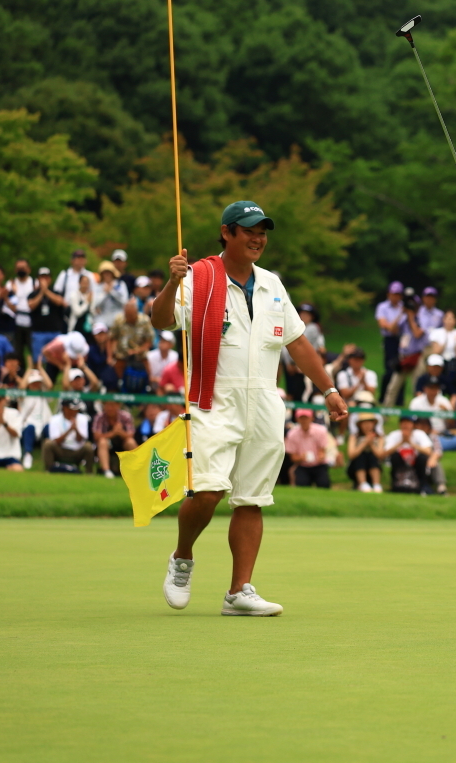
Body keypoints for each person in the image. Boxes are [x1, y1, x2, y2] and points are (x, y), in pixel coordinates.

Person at [151, 199, 349, 618]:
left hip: (264, 399)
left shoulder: (272, 284)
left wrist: (328, 389)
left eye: (263, 231)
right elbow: (161, 321)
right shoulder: (199, 276)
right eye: (249, 230)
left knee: (251, 498)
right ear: (227, 232)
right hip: (212, 398)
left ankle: (239, 591)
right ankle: (182, 557)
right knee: (207, 491)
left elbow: (297, 342)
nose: (258, 238)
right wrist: (172, 283)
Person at [285, 408, 337, 489]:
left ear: (312, 418)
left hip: (319, 465)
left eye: (306, 417)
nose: (304, 420)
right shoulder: (292, 434)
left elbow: (322, 450)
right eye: (301, 418)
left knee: (324, 484)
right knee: (301, 484)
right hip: (302, 465)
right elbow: (293, 457)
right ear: (297, 419)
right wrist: (301, 457)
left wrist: (321, 456)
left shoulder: (320, 431)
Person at [110, 300, 154, 392]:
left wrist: (137, 351)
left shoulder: (144, 320)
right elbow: (112, 338)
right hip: (122, 355)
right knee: (115, 376)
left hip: (140, 356)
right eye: (127, 315)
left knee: (148, 376)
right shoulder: (119, 320)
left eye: (131, 315)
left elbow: (149, 341)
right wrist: (110, 356)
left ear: (136, 312)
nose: (129, 318)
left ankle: (146, 390)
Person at [43, 397, 95, 473]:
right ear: (65, 408)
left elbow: (81, 440)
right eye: (73, 408)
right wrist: (69, 430)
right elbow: (56, 441)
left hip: (77, 450)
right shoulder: (55, 419)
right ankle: (49, 470)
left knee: (88, 446)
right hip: (61, 449)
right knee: (48, 443)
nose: (75, 411)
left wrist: (76, 429)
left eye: (77, 408)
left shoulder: (83, 418)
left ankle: (89, 473)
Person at [27, 267, 67, 365]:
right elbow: (31, 305)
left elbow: (59, 302)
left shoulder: (56, 292)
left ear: (50, 279)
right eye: (42, 277)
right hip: (38, 332)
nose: (44, 280)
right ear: (38, 279)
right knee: (38, 360)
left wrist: (46, 291)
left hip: (54, 332)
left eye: (46, 277)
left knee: (57, 359)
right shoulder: (33, 294)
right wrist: (41, 292)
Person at [384, 414, 433, 494]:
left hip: (416, 464)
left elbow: (428, 451)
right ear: (399, 424)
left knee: (422, 458)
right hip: (400, 465)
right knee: (395, 456)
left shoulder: (420, 434)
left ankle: (422, 484)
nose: (405, 425)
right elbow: (384, 453)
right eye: (403, 422)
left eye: (408, 422)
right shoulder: (394, 435)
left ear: (413, 424)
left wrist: (411, 443)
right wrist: (401, 442)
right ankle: (396, 484)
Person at [426, 309, 456, 398]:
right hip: (440, 363)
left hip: (453, 363)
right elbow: (436, 351)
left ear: (455, 321)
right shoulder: (437, 333)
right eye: (447, 318)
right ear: (443, 320)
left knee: (454, 387)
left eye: (452, 318)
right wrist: (445, 341)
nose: (449, 321)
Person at [376, 281, 406, 402]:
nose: (396, 297)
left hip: (402, 341)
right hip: (389, 341)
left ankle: (399, 399)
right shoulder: (382, 307)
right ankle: (384, 397)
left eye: (398, 294)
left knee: (402, 368)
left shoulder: (404, 307)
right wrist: (399, 316)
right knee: (389, 369)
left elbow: (402, 328)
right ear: (389, 294)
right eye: (394, 294)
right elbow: (387, 327)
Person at [16, 368, 52, 468]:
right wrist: (28, 371)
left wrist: (41, 369)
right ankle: (28, 454)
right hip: (28, 431)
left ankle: (52, 455)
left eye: (38, 382)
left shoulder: (44, 395)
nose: (36, 385)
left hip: (42, 430)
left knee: (49, 427)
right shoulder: (24, 396)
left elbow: (49, 385)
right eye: (33, 382)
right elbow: (22, 387)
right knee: (30, 427)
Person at [94, 399, 138, 478]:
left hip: (122, 444)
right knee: (102, 442)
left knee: (130, 442)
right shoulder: (100, 417)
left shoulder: (126, 416)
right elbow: (96, 436)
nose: (110, 408)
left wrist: (120, 432)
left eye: (112, 405)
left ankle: (136, 470)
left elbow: (131, 435)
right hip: (108, 445)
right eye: (107, 405)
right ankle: (106, 471)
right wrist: (113, 433)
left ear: (118, 405)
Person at [5, 259, 36, 363]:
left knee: (33, 350)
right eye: (19, 268)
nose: (21, 270)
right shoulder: (10, 284)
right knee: (18, 351)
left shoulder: (34, 283)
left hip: (31, 320)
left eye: (23, 268)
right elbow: (7, 302)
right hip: (16, 320)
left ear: (29, 269)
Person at [346, 412, 385, 492]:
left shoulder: (379, 437)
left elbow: (380, 455)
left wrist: (371, 444)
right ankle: (362, 483)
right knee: (361, 455)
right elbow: (351, 455)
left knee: (371, 456)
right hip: (355, 468)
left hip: (374, 465)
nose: (367, 425)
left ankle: (376, 484)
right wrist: (364, 443)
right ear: (360, 425)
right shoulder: (354, 436)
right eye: (364, 423)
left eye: (370, 422)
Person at [92, 260, 129, 331]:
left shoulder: (120, 285)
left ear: (113, 273)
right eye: (104, 273)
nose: (107, 275)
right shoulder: (98, 287)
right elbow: (95, 304)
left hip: (118, 319)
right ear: (102, 274)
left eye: (109, 273)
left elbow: (124, 302)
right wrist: (105, 293)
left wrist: (112, 292)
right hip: (103, 320)